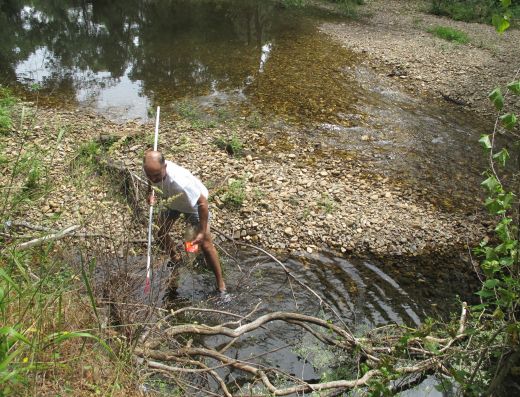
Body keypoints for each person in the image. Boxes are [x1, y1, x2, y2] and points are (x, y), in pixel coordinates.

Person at [143, 150, 226, 293]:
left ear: (165, 167)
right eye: (150, 175)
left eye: (156, 176)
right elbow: (150, 180)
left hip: (193, 204)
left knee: (205, 243)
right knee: (161, 234)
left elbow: (203, 203)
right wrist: (150, 193)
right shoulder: (151, 169)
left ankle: (221, 285)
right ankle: (176, 257)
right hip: (173, 201)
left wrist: (202, 230)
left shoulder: (181, 182)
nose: (153, 178)